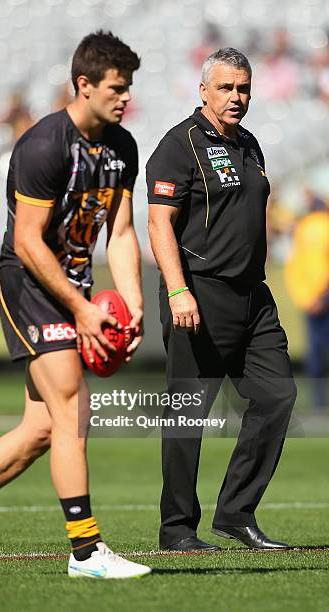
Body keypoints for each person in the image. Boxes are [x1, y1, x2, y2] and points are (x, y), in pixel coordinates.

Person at [0, 31, 150, 580]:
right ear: (83, 84)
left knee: (42, 429)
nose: (125, 99)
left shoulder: (123, 147)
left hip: (72, 288)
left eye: (129, 88)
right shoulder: (44, 146)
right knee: (73, 408)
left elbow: (119, 232)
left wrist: (133, 304)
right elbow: (27, 242)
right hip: (28, 283)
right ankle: (87, 553)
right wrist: (82, 308)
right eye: (116, 88)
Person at [147, 47, 296, 552]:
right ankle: (177, 530)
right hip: (199, 294)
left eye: (244, 88)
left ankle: (235, 513)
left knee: (278, 397)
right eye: (228, 88)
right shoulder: (178, 145)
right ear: (204, 90)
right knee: (189, 414)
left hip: (253, 297)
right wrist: (178, 289)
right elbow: (159, 222)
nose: (237, 97)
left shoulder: (251, 143)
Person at [285, 191, 329, 411]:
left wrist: (307, 298)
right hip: (319, 298)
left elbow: (294, 266)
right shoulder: (318, 225)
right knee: (317, 353)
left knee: (315, 353)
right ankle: (319, 404)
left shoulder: (303, 227)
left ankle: (319, 405)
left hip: (312, 299)